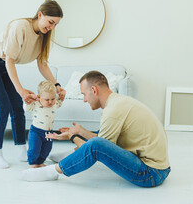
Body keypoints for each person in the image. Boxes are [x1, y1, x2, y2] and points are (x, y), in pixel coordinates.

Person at [21, 71, 171, 187]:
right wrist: (79, 131)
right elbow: (104, 138)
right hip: (160, 168)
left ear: (94, 90)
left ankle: (50, 172)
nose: (84, 100)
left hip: (150, 174)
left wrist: (72, 137)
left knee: (96, 145)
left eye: (84, 95)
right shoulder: (118, 102)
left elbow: (98, 148)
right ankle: (68, 155)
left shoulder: (112, 112)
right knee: (100, 135)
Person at [0, 0, 66, 169]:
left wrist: (56, 85)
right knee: (2, 108)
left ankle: (21, 150)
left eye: (56, 24)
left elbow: (42, 64)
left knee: (18, 108)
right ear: (40, 15)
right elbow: (9, 61)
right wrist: (20, 90)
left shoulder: (43, 35)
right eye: (50, 22)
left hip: (5, 67)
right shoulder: (20, 27)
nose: (52, 27)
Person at [24, 80, 63, 168]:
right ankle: (33, 163)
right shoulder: (35, 103)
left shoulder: (54, 103)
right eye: (47, 99)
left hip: (49, 132)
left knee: (47, 149)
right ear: (38, 97)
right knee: (34, 149)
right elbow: (26, 109)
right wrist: (27, 102)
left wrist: (61, 97)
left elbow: (59, 103)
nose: (50, 102)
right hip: (36, 131)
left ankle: (40, 162)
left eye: (52, 99)